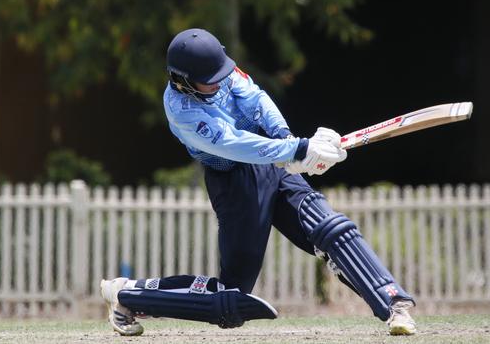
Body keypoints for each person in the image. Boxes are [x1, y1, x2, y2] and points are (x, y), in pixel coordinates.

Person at [100, 28, 416, 336]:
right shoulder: (181, 110)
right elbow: (232, 143)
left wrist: (286, 137)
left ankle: (392, 304)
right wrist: (298, 149)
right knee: (230, 299)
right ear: (182, 81)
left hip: (271, 163)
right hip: (235, 184)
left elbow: (256, 99)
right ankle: (129, 295)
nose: (219, 82)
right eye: (209, 81)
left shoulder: (218, 71)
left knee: (329, 229)